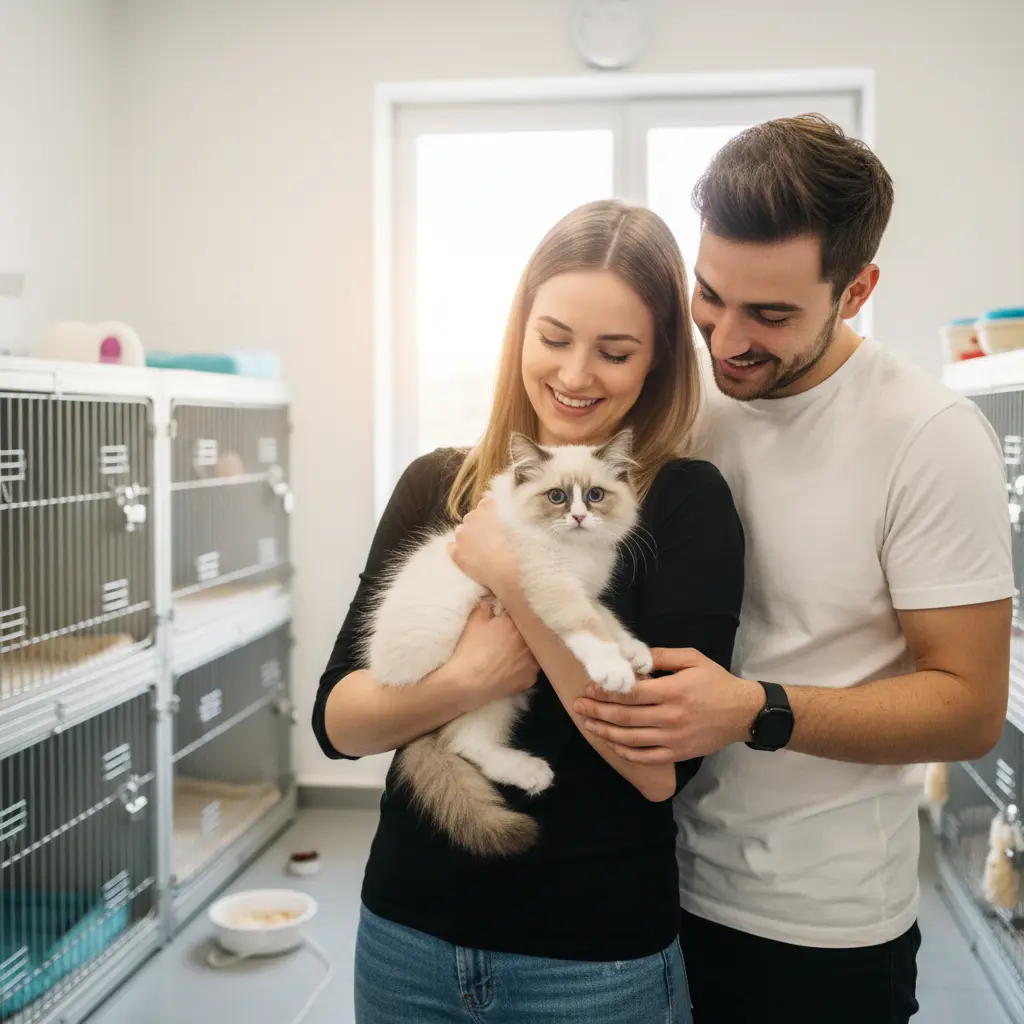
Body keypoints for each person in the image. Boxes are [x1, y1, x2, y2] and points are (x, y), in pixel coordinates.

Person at [572, 115, 1014, 1023]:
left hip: (819, 930)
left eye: (771, 315)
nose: (727, 339)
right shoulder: (685, 396)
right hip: (648, 888)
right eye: (710, 295)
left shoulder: (929, 437)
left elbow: (969, 707)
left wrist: (753, 709)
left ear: (857, 291)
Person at [312, 199, 745, 1023]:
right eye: (553, 338)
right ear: (519, 333)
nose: (576, 375)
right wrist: (466, 681)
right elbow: (339, 723)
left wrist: (512, 581)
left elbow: (657, 772)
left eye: (614, 352)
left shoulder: (684, 503)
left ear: (657, 360)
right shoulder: (435, 483)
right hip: (406, 935)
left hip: (593, 962)